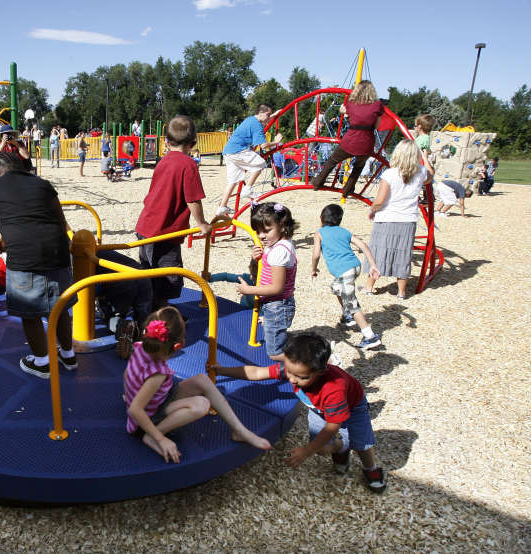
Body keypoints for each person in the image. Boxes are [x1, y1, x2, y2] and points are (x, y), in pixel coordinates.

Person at [212, 333, 386, 493]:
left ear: (321, 372)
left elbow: (332, 426)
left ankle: (371, 468)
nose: (293, 379)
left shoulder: (334, 389)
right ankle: (341, 449)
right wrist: (222, 370)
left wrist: (306, 451)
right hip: (318, 410)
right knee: (322, 448)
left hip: (353, 408)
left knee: (362, 443)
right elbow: (257, 372)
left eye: (302, 377)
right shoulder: (294, 370)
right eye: (290, 372)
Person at [124, 306, 271, 463]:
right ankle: (153, 436)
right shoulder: (158, 374)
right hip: (148, 418)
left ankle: (239, 430)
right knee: (201, 405)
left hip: (155, 400)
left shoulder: (139, 347)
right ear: (178, 346)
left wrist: (132, 394)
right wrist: (161, 439)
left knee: (201, 379)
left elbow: (128, 374)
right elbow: (135, 410)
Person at [0, 152, 76, 379]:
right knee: (59, 307)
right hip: (58, 251)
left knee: (29, 312)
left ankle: (42, 362)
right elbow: (61, 222)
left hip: (23, 255)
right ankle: (68, 355)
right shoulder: (43, 184)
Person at [134, 115, 212, 310]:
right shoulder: (188, 164)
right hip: (164, 233)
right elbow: (192, 199)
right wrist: (202, 223)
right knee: (168, 279)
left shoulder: (163, 161)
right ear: (193, 144)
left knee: (149, 275)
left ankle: (147, 315)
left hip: (145, 228)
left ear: (166, 142)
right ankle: (159, 322)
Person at [361, 139, 431, 300]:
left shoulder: (390, 174)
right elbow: (430, 175)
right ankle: (401, 292)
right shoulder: (420, 172)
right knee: (403, 254)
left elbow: (380, 200)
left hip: (387, 218)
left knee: (378, 252)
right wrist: (425, 157)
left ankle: (369, 286)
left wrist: (372, 210)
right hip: (408, 220)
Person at [311, 204, 382, 350]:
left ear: (321, 218)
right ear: (339, 219)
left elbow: (316, 254)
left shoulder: (320, 233)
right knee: (336, 288)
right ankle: (347, 315)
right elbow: (362, 245)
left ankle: (370, 336)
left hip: (344, 271)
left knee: (351, 303)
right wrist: (373, 265)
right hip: (354, 267)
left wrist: (313, 268)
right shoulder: (344, 231)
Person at [234, 201, 298, 362]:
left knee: (274, 353)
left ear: (283, 226)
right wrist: (256, 259)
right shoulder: (276, 244)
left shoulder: (279, 251)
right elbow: (263, 271)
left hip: (278, 305)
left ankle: (309, 364)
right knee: (278, 334)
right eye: (258, 231)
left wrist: (249, 290)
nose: (261, 236)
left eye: (267, 231)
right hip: (275, 307)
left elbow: (276, 288)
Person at [310, 81, 384, 200]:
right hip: (367, 142)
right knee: (358, 166)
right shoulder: (378, 105)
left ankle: (318, 182)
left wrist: (344, 112)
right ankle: (348, 189)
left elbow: (344, 112)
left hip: (351, 140)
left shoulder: (351, 104)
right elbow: (376, 126)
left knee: (332, 160)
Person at [218, 104, 283, 217]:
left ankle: (222, 207)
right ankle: (247, 189)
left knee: (232, 181)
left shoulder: (251, 119)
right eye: (268, 115)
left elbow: (265, 119)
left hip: (228, 152)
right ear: (261, 113)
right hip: (238, 151)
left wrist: (274, 115)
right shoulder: (256, 125)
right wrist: (276, 142)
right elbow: (263, 146)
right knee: (260, 163)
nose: (268, 118)